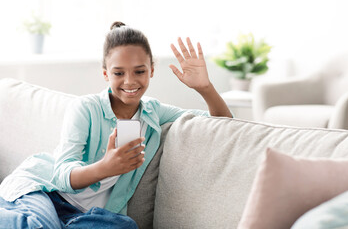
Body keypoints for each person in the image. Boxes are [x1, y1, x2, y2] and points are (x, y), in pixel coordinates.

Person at [0, 21, 232, 228]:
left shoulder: (153, 112)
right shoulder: (86, 108)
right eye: (119, 73)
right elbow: (61, 175)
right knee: (40, 225)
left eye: (139, 71)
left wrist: (204, 87)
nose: (129, 81)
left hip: (84, 215)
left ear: (152, 70)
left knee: (124, 226)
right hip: (45, 192)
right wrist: (105, 167)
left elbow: (222, 125)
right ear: (105, 74)